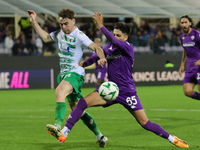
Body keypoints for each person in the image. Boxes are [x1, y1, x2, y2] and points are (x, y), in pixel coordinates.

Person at [48, 12, 189, 148]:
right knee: (82, 103)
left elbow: (113, 41)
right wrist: (84, 64)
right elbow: (97, 55)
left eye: (118, 35)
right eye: (114, 34)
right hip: (110, 91)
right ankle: (64, 133)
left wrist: (101, 26)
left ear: (125, 37)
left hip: (127, 92)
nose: (114, 37)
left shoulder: (128, 48)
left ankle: (173, 139)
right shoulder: (110, 47)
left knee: (145, 123)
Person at [27, 8, 108, 147]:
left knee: (59, 91)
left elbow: (96, 48)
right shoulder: (59, 33)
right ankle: (100, 136)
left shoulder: (79, 35)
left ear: (73, 21)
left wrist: (101, 59)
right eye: (61, 24)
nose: (63, 27)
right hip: (66, 74)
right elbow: (46, 37)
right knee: (77, 109)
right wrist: (34, 22)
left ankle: (57, 126)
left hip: (75, 73)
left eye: (66, 23)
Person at [179, 15, 200, 101]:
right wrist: (182, 64)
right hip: (190, 68)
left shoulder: (197, 35)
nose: (184, 24)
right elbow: (185, 50)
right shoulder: (182, 37)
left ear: (190, 23)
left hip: (199, 67)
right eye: (182, 23)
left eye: (186, 22)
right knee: (187, 92)